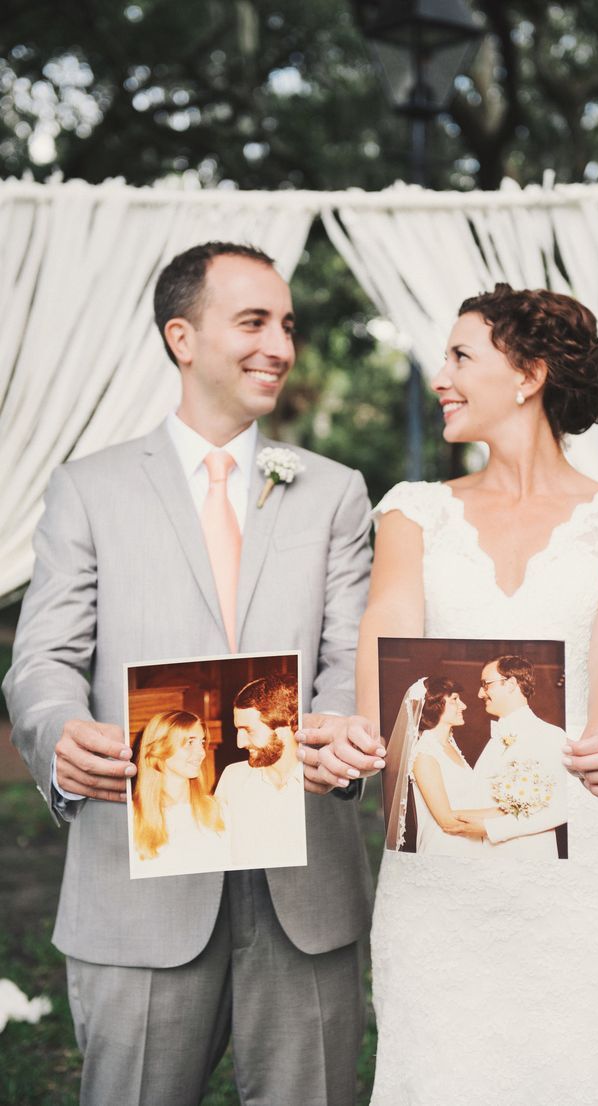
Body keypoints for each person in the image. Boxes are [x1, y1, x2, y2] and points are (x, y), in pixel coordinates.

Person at [2, 242, 379, 1106]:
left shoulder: (334, 492)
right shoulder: (87, 489)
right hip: (139, 881)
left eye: (287, 325)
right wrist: (60, 733)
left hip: (304, 886)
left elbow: (345, 658)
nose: (280, 345)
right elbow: (46, 659)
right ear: (182, 336)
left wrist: (335, 737)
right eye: (253, 322)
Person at [350, 283, 598, 1105]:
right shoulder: (412, 513)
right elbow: (388, 624)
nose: (441, 377)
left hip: (577, 869)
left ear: (527, 374)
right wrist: (372, 732)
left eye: (461, 356)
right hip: (439, 881)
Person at [470, 655, 568, 859]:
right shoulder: (495, 738)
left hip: (527, 857)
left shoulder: (550, 735)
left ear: (511, 683)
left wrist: (491, 829)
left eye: (485, 685)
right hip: (484, 858)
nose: (480, 693)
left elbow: (561, 807)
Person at [385, 676, 488, 857]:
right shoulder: (424, 754)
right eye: (455, 700)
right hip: (445, 851)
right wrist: (504, 816)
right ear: (435, 704)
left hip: (470, 848)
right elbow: (448, 821)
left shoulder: (450, 745)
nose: (463, 706)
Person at [215, 674, 307, 869]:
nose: (240, 743)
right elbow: (216, 851)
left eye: (248, 730)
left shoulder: (320, 780)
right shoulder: (232, 777)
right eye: (237, 730)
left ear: (285, 728)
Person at [130, 709, 228, 878]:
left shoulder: (218, 810)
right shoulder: (132, 817)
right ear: (160, 748)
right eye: (190, 742)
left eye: (202, 742)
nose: (202, 753)